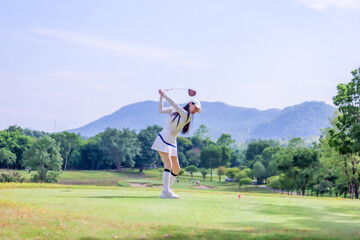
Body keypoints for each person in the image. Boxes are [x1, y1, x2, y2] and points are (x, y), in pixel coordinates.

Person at [151, 89, 202, 199]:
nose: (195, 111)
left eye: (197, 110)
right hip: (164, 137)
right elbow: (161, 109)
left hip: (173, 141)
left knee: (176, 169)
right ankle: (166, 192)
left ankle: (166, 191)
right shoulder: (174, 111)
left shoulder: (189, 116)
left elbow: (177, 107)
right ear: (190, 104)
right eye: (195, 108)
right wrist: (162, 97)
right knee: (168, 165)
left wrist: (164, 94)